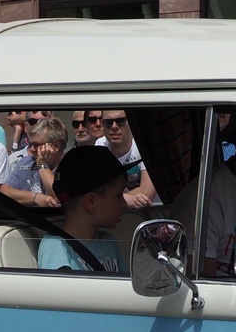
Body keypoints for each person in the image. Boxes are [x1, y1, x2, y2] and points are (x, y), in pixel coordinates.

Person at [37, 144, 126, 273]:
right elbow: (56, 291)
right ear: (91, 202)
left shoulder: (108, 241)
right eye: (119, 195)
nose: (124, 204)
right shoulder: (56, 246)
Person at [92, 110, 159, 209]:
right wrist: (124, 200)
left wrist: (111, 200)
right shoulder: (100, 146)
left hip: (146, 212)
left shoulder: (143, 145)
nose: (114, 126)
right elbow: (95, 192)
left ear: (130, 122)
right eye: (108, 122)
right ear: (102, 124)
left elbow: (146, 193)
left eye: (120, 121)